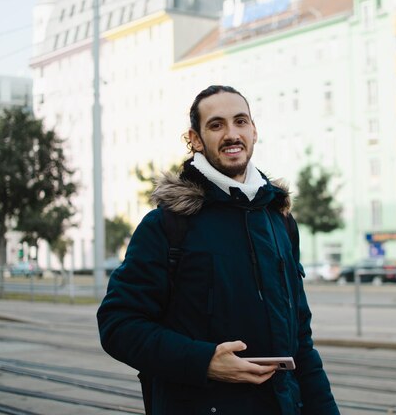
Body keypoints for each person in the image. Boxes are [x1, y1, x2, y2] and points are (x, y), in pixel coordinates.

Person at [97, 85, 340, 415]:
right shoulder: (167, 224)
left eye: (241, 122)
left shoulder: (280, 221)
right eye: (216, 125)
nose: (232, 134)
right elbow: (118, 325)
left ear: (254, 131)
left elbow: (301, 342)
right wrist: (203, 362)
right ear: (195, 139)